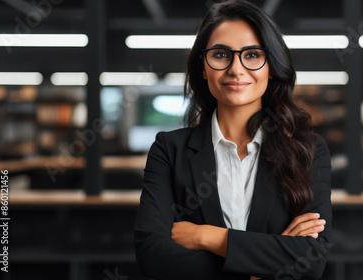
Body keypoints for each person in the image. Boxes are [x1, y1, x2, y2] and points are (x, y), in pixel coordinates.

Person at [134, 1, 333, 279]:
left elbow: (311, 261)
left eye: (252, 55)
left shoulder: (308, 150)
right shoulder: (169, 150)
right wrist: (263, 265)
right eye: (221, 54)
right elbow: (152, 257)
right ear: (203, 67)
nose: (236, 69)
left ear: (271, 67)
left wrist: (208, 237)